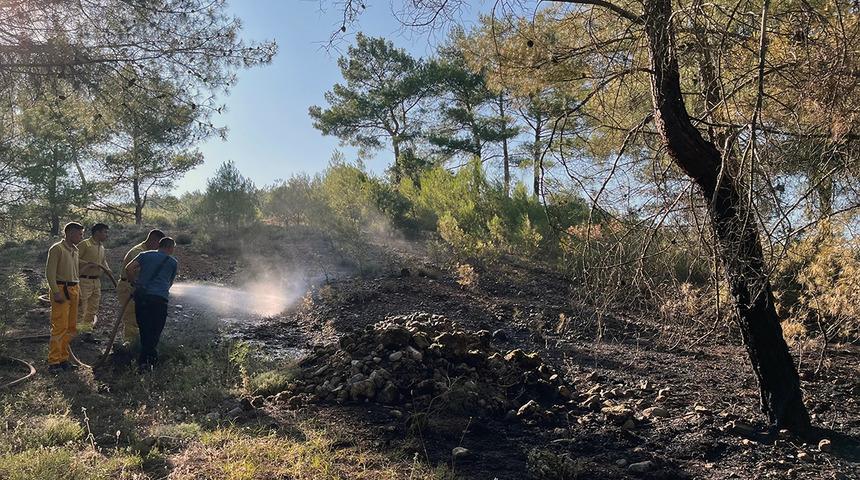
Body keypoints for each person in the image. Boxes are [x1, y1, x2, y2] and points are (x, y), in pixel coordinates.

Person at [124, 237, 178, 370]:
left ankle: (144, 361)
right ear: (170, 248)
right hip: (160, 300)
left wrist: (134, 283)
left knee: (144, 329)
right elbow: (170, 283)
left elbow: (129, 268)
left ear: (159, 245)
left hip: (142, 298)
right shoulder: (173, 262)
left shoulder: (145, 255)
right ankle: (149, 361)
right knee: (155, 330)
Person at [45, 222, 84, 371]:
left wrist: (78, 294)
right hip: (61, 289)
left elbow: (75, 273)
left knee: (71, 327)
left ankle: (63, 359)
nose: (81, 237)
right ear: (69, 233)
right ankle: (53, 362)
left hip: (74, 288)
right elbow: (50, 273)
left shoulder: (75, 250)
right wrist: (56, 292)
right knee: (59, 326)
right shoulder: (57, 248)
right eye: (79, 234)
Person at [116, 229, 165, 347]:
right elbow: (132, 271)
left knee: (140, 317)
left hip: (136, 287)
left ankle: (136, 342)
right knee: (131, 317)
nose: (159, 248)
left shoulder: (148, 252)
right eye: (159, 244)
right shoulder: (138, 252)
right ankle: (129, 344)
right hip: (128, 287)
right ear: (153, 240)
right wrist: (136, 285)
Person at [77, 223, 115, 329]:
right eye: (105, 232)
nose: (107, 235)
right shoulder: (85, 244)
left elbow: (103, 261)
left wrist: (107, 269)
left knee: (93, 307)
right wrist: (87, 263)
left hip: (96, 281)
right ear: (97, 232)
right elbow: (74, 258)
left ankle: (86, 329)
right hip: (84, 280)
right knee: (81, 306)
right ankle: (76, 330)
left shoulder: (101, 246)